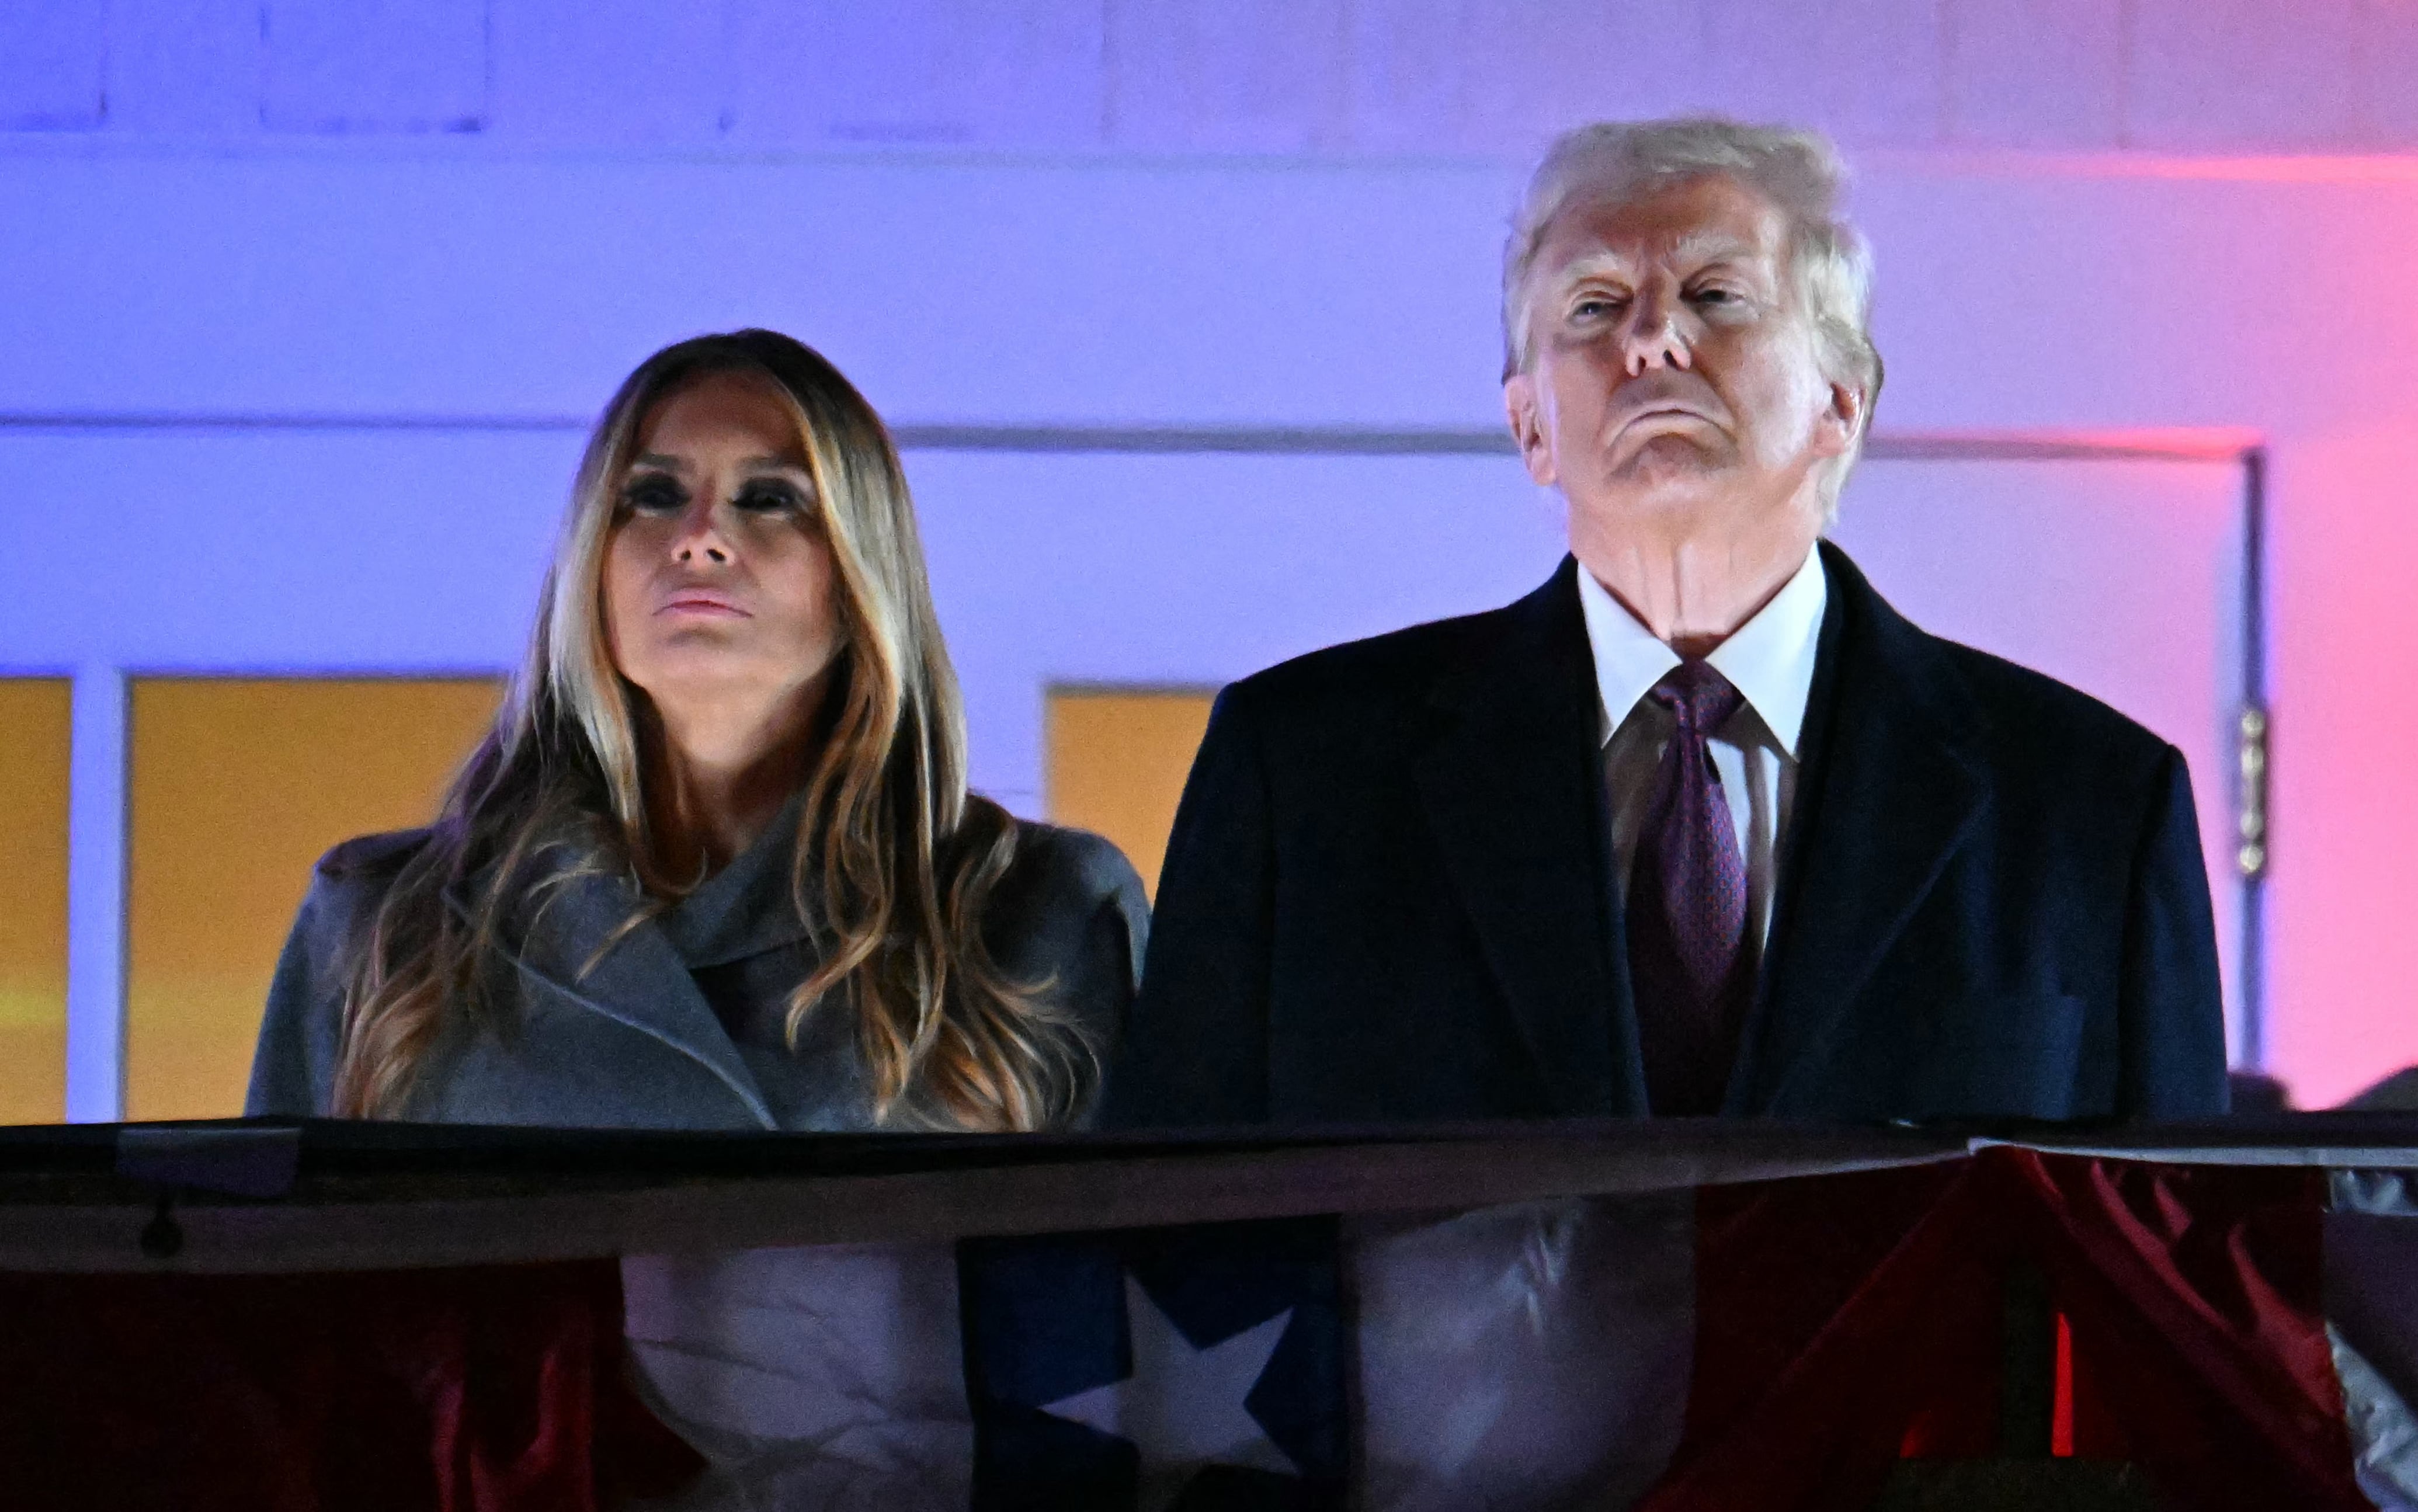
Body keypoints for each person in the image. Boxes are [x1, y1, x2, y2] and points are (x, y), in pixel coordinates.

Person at [1102, 119, 2226, 1128]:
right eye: (1593, 307)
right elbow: (1178, 1237)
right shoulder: (1301, 770)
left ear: (1843, 400)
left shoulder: (2091, 803)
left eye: (1714, 294)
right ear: (1530, 427)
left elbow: (2184, 1252)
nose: (1650, 342)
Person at [249, 330, 1147, 1131]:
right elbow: (282, 1258)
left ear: (860, 579)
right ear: (591, 565)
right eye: (652, 495)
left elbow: (1126, 1258)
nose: (700, 537)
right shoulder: (383, 925)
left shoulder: (1036, 914)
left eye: (769, 498)